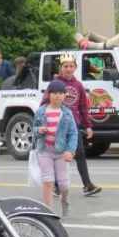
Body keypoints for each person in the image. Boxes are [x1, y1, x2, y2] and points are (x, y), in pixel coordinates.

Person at [41, 52, 102, 197]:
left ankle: (87, 185)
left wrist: (87, 126)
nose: (69, 69)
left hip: (72, 126)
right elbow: (43, 104)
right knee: (58, 154)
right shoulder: (55, 85)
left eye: (71, 66)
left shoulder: (78, 85)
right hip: (56, 125)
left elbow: (83, 107)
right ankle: (55, 185)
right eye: (66, 66)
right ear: (60, 68)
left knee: (79, 154)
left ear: (75, 67)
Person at [33, 80, 78, 216]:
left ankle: (64, 199)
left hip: (61, 153)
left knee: (64, 185)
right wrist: (38, 130)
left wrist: (70, 151)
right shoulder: (41, 111)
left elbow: (73, 133)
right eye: (54, 93)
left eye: (60, 93)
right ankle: (49, 212)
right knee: (48, 181)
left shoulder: (67, 113)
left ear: (65, 95)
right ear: (49, 94)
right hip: (44, 150)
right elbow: (33, 128)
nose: (57, 96)